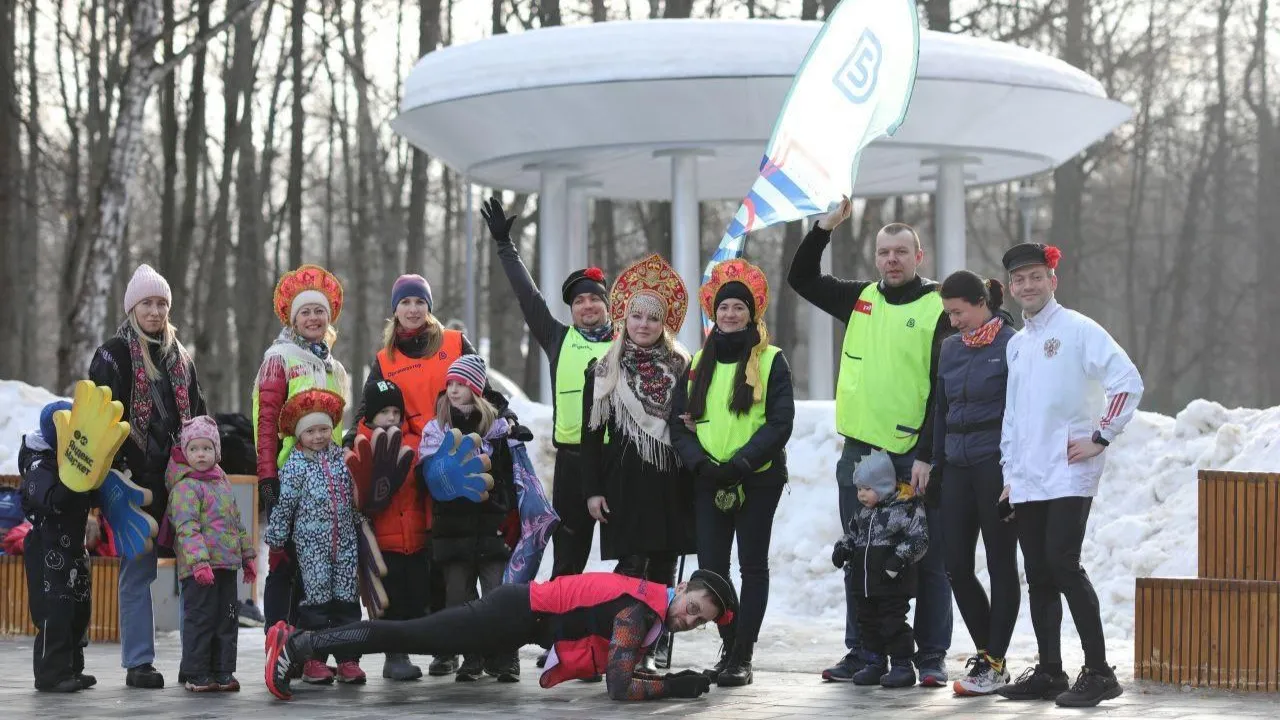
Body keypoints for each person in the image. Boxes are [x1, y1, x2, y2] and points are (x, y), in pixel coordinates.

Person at [787, 200, 952, 684]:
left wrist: (927, 452)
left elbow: (944, 388)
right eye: (885, 253)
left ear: (919, 257)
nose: (892, 260)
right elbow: (801, 278)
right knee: (861, 557)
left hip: (914, 457)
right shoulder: (859, 298)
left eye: (902, 252)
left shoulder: (938, 304)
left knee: (929, 558)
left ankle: (931, 657)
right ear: (876, 258)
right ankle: (864, 652)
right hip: (861, 454)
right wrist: (823, 229)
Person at [342, 273, 517, 679]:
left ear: (429, 306)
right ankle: (439, 643)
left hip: (453, 457)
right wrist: (355, 435)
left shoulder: (454, 343)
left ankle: (455, 647)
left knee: (447, 559)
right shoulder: (385, 359)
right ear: (395, 310)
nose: (413, 309)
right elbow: (372, 405)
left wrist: (503, 415)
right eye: (405, 302)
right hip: (410, 462)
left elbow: (482, 388)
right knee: (429, 555)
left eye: (420, 301)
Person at [994, 243, 1143, 708]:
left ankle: (1099, 672)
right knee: (1037, 573)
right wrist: (1009, 473)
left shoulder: (1079, 330)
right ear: (1012, 288)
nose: (1028, 286)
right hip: (1029, 477)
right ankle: (1050, 671)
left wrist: (1101, 435)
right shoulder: (1017, 345)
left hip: (1069, 470)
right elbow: (1013, 417)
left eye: (1036, 276)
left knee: (1062, 563)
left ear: (1052, 280)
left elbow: (1127, 380)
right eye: (1019, 280)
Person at [264, 568, 739, 702]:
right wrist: (676, 687)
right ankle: (301, 644)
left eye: (698, 621)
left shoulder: (649, 606)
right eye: (692, 608)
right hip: (510, 613)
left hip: (518, 625)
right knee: (407, 633)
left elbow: (625, 668)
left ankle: (302, 641)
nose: (688, 620)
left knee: (411, 633)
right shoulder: (637, 612)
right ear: (680, 589)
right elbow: (620, 686)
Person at [669, 259, 794, 687]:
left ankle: (743, 653)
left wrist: (740, 463)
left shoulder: (771, 360)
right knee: (712, 569)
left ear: (752, 313)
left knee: (752, 566)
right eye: (723, 308)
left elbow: (780, 422)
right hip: (708, 480)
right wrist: (702, 464)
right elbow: (677, 423)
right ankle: (727, 643)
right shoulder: (697, 363)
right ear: (713, 313)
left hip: (756, 478)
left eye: (739, 307)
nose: (730, 314)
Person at [482, 197, 613, 584]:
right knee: (568, 559)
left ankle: (629, 636)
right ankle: (561, 640)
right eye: (579, 301)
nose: (587, 306)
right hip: (573, 462)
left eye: (594, 298)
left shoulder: (627, 341)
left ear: (607, 305)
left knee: (632, 553)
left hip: (619, 460)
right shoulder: (559, 338)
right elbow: (528, 297)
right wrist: (506, 248)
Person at [89, 263, 207, 689]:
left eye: (161, 304)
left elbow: (199, 417)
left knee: (197, 568)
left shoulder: (181, 358)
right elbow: (96, 418)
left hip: (181, 479)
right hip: (131, 479)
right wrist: (111, 476)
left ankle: (198, 659)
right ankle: (139, 662)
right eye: (147, 303)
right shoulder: (113, 355)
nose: (155, 311)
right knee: (138, 571)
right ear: (132, 307)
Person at [582, 253, 696, 673]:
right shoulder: (603, 369)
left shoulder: (682, 366)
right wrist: (592, 490)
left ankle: (659, 640)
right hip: (625, 481)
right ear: (624, 318)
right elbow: (590, 437)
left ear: (663, 323)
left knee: (664, 565)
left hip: (670, 478)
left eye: (653, 318)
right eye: (637, 316)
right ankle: (625, 641)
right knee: (631, 567)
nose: (644, 325)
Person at [931, 270, 1021, 696]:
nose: (953, 321)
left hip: (996, 468)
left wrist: (1017, 472)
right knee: (957, 567)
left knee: (1002, 564)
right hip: (956, 467)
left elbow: (1023, 412)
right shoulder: (950, 348)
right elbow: (941, 411)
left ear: (980, 303)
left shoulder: (1011, 344)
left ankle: (993, 659)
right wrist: (934, 465)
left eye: (958, 311)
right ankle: (990, 657)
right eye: (948, 313)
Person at [253, 264, 349, 638]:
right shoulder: (280, 359)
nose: (313, 318)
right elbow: (266, 421)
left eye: (319, 311)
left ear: (329, 317)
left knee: (320, 566)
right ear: (293, 318)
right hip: (291, 477)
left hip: (326, 483)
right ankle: (279, 638)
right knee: (285, 562)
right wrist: (266, 476)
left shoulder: (334, 367)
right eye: (305, 311)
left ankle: (312, 645)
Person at [417, 355, 520, 682]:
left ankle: (505, 658)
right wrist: (437, 474)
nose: (454, 389)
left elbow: (505, 476)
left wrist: (507, 511)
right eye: (450, 384)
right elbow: (424, 476)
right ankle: (472, 658)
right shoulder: (436, 429)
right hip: (452, 528)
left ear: (476, 388)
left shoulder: (495, 428)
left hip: (490, 527)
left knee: (496, 594)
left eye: (461, 384)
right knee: (458, 598)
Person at [264, 388, 365, 686]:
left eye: (324, 429)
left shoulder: (341, 459)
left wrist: (362, 523)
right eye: (311, 431)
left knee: (347, 600)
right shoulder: (295, 466)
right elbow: (285, 506)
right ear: (300, 434)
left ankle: (348, 659)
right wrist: (277, 537)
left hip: (344, 543)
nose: (319, 436)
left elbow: (354, 496)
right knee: (317, 603)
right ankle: (314, 660)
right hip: (312, 548)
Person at [165, 416, 257, 692]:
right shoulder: (185, 487)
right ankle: (197, 671)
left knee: (226, 619)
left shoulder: (221, 481)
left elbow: (235, 521)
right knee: (201, 619)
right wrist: (199, 562)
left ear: (216, 451)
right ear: (186, 452)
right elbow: (187, 528)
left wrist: (247, 556)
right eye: (194, 449)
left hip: (226, 565)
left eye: (206, 448)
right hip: (199, 569)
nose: (201, 454)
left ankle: (223, 669)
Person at [831, 450, 929, 688]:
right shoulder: (864, 513)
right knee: (868, 624)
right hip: (865, 584)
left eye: (866, 488)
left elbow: (920, 538)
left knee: (892, 623)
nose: (861, 494)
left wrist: (898, 559)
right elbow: (852, 534)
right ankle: (874, 663)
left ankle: (902, 665)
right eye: (858, 489)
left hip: (891, 582)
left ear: (884, 485)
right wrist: (843, 548)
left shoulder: (903, 508)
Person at [20, 401, 97, 693]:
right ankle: (50, 673)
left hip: (73, 549)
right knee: (55, 611)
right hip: (47, 548)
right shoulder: (39, 466)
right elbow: (50, 499)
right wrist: (75, 478)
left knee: (78, 609)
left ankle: (72, 668)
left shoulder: (71, 461)